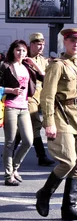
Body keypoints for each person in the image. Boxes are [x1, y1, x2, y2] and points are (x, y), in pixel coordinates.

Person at [35, 28, 77, 220]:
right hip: (62, 117)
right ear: (65, 42)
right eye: (72, 40)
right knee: (68, 160)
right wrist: (49, 123)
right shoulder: (57, 65)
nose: (76, 44)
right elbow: (47, 96)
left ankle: (68, 208)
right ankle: (44, 193)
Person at [0, 40, 45, 186]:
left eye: (24, 51)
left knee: (28, 141)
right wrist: (11, 90)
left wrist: (34, 64)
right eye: (18, 50)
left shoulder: (27, 66)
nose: (21, 53)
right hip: (10, 106)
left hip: (24, 107)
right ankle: (8, 176)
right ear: (13, 50)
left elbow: (43, 77)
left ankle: (14, 168)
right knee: (10, 142)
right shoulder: (5, 66)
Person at [13, 33, 55, 166]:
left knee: (22, 128)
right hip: (28, 97)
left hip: (41, 96)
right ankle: (41, 156)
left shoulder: (43, 60)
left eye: (42, 44)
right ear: (31, 45)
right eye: (38, 44)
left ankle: (10, 149)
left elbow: (46, 78)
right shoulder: (24, 59)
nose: (41, 47)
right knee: (36, 124)